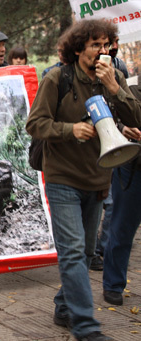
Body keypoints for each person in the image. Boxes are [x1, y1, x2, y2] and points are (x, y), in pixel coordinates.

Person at [26, 19, 141, 341]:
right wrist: (69, 130)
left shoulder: (114, 78)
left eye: (107, 45)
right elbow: (35, 124)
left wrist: (116, 90)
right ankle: (86, 327)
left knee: (86, 252)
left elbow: (137, 119)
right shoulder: (56, 78)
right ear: (78, 50)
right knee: (74, 252)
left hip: (99, 177)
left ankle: (64, 305)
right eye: (96, 46)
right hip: (63, 177)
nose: (103, 52)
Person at [90, 35, 130, 271]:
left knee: (113, 203)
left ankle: (102, 248)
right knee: (97, 203)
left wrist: (126, 127)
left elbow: (126, 111)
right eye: (100, 45)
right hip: (87, 156)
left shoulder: (119, 71)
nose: (107, 49)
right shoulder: (62, 76)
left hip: (115, 147)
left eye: (110, 44)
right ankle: (91, 249)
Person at [102, 74, 141, 306]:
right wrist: (123, 128)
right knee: (122, 227)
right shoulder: (131, 90)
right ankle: (113, 284)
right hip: (133, 168)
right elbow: (108, 120)